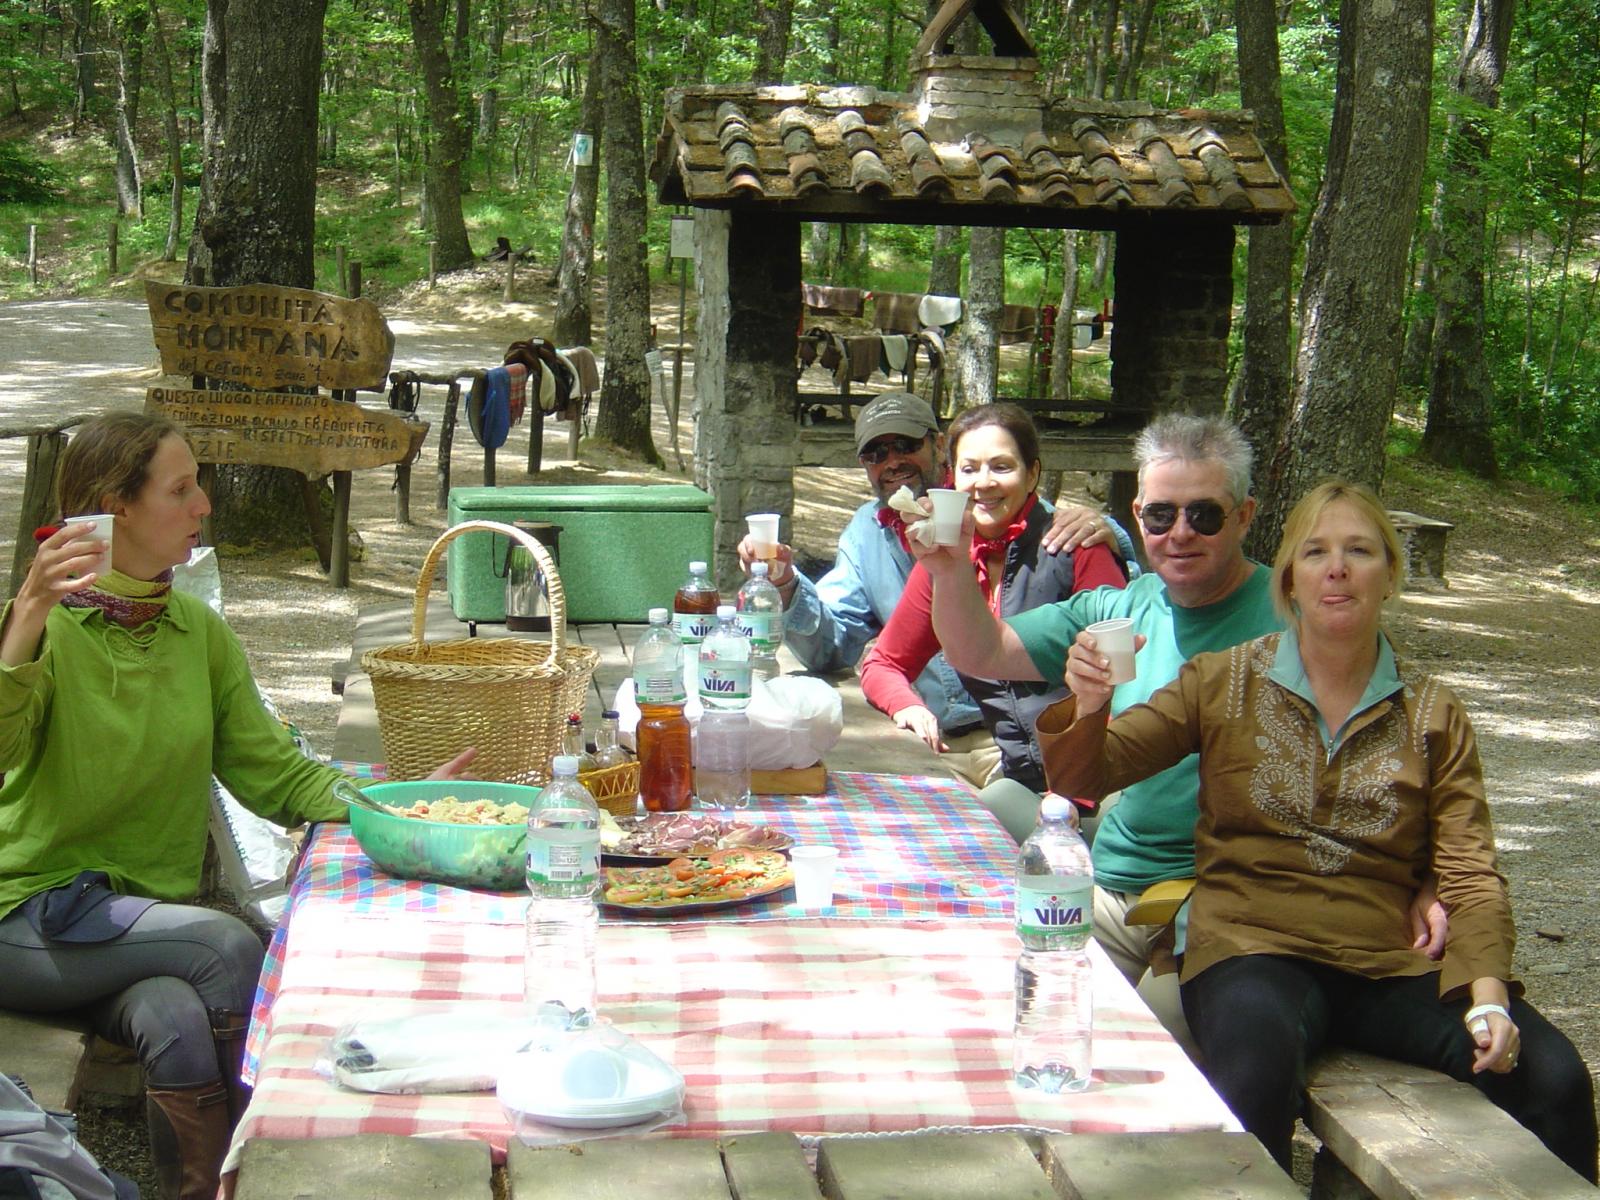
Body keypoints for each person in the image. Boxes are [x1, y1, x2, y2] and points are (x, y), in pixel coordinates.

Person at [1038, 481, 1597, 1180]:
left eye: (1359, 551)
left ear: (1389, 576)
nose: (1337, 567)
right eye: (1316, 552)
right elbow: (1093, 773)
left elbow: (1469, 869)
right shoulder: (1223, 680)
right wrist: (1089, 701)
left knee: (1555, 1080)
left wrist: (1489, 999)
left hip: (1381, 958)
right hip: (1249, 944)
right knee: (1253, 1075)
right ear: (1291, 582)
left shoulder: (1431, 714)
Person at [0, 412, 473, 1200]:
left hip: (143, 927)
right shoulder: (46, 629)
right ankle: (275, 1177)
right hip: (29, 916)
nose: (205, 506)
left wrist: (399, 801)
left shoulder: (197, 632)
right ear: (114, 507)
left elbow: (274, 776)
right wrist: (25, 617)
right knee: (228, 948)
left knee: (180, 1020)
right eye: (181, 489)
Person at [915, 413, 1443, 1055]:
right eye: (1162, 516)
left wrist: (1425, 880)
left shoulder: (1298, 621)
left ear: (1245, 516)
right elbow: (984, 650)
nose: (1181, 533)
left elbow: (1396, 752)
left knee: (1147, 1046)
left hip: (1226, 901)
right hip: (1111, 881)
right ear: (1138, 515)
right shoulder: (1125, 605)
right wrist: (946, 571)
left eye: (1206, 516)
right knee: (995, 997)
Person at [735, 391, 1133, 786]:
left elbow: (1124, 659)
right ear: (955, 473)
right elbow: (851, 650)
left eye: (905, 445)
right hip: (945, 746)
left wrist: (1115, 537)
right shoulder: (910, 549)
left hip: (1058, 765)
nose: (893, 462)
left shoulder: (1070, 541)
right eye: (876, 454)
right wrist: (784, 585)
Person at [859, 402, 1127, 795]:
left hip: (1089, 780)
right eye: (969, 469)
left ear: (1033, 473)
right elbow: (883, 662)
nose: (983, 482)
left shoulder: (1076, 544)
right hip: (1006, 770)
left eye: (1001, 467)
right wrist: (908, 706)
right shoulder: (948, 560)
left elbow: (1120, 674)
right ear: (952, 477)